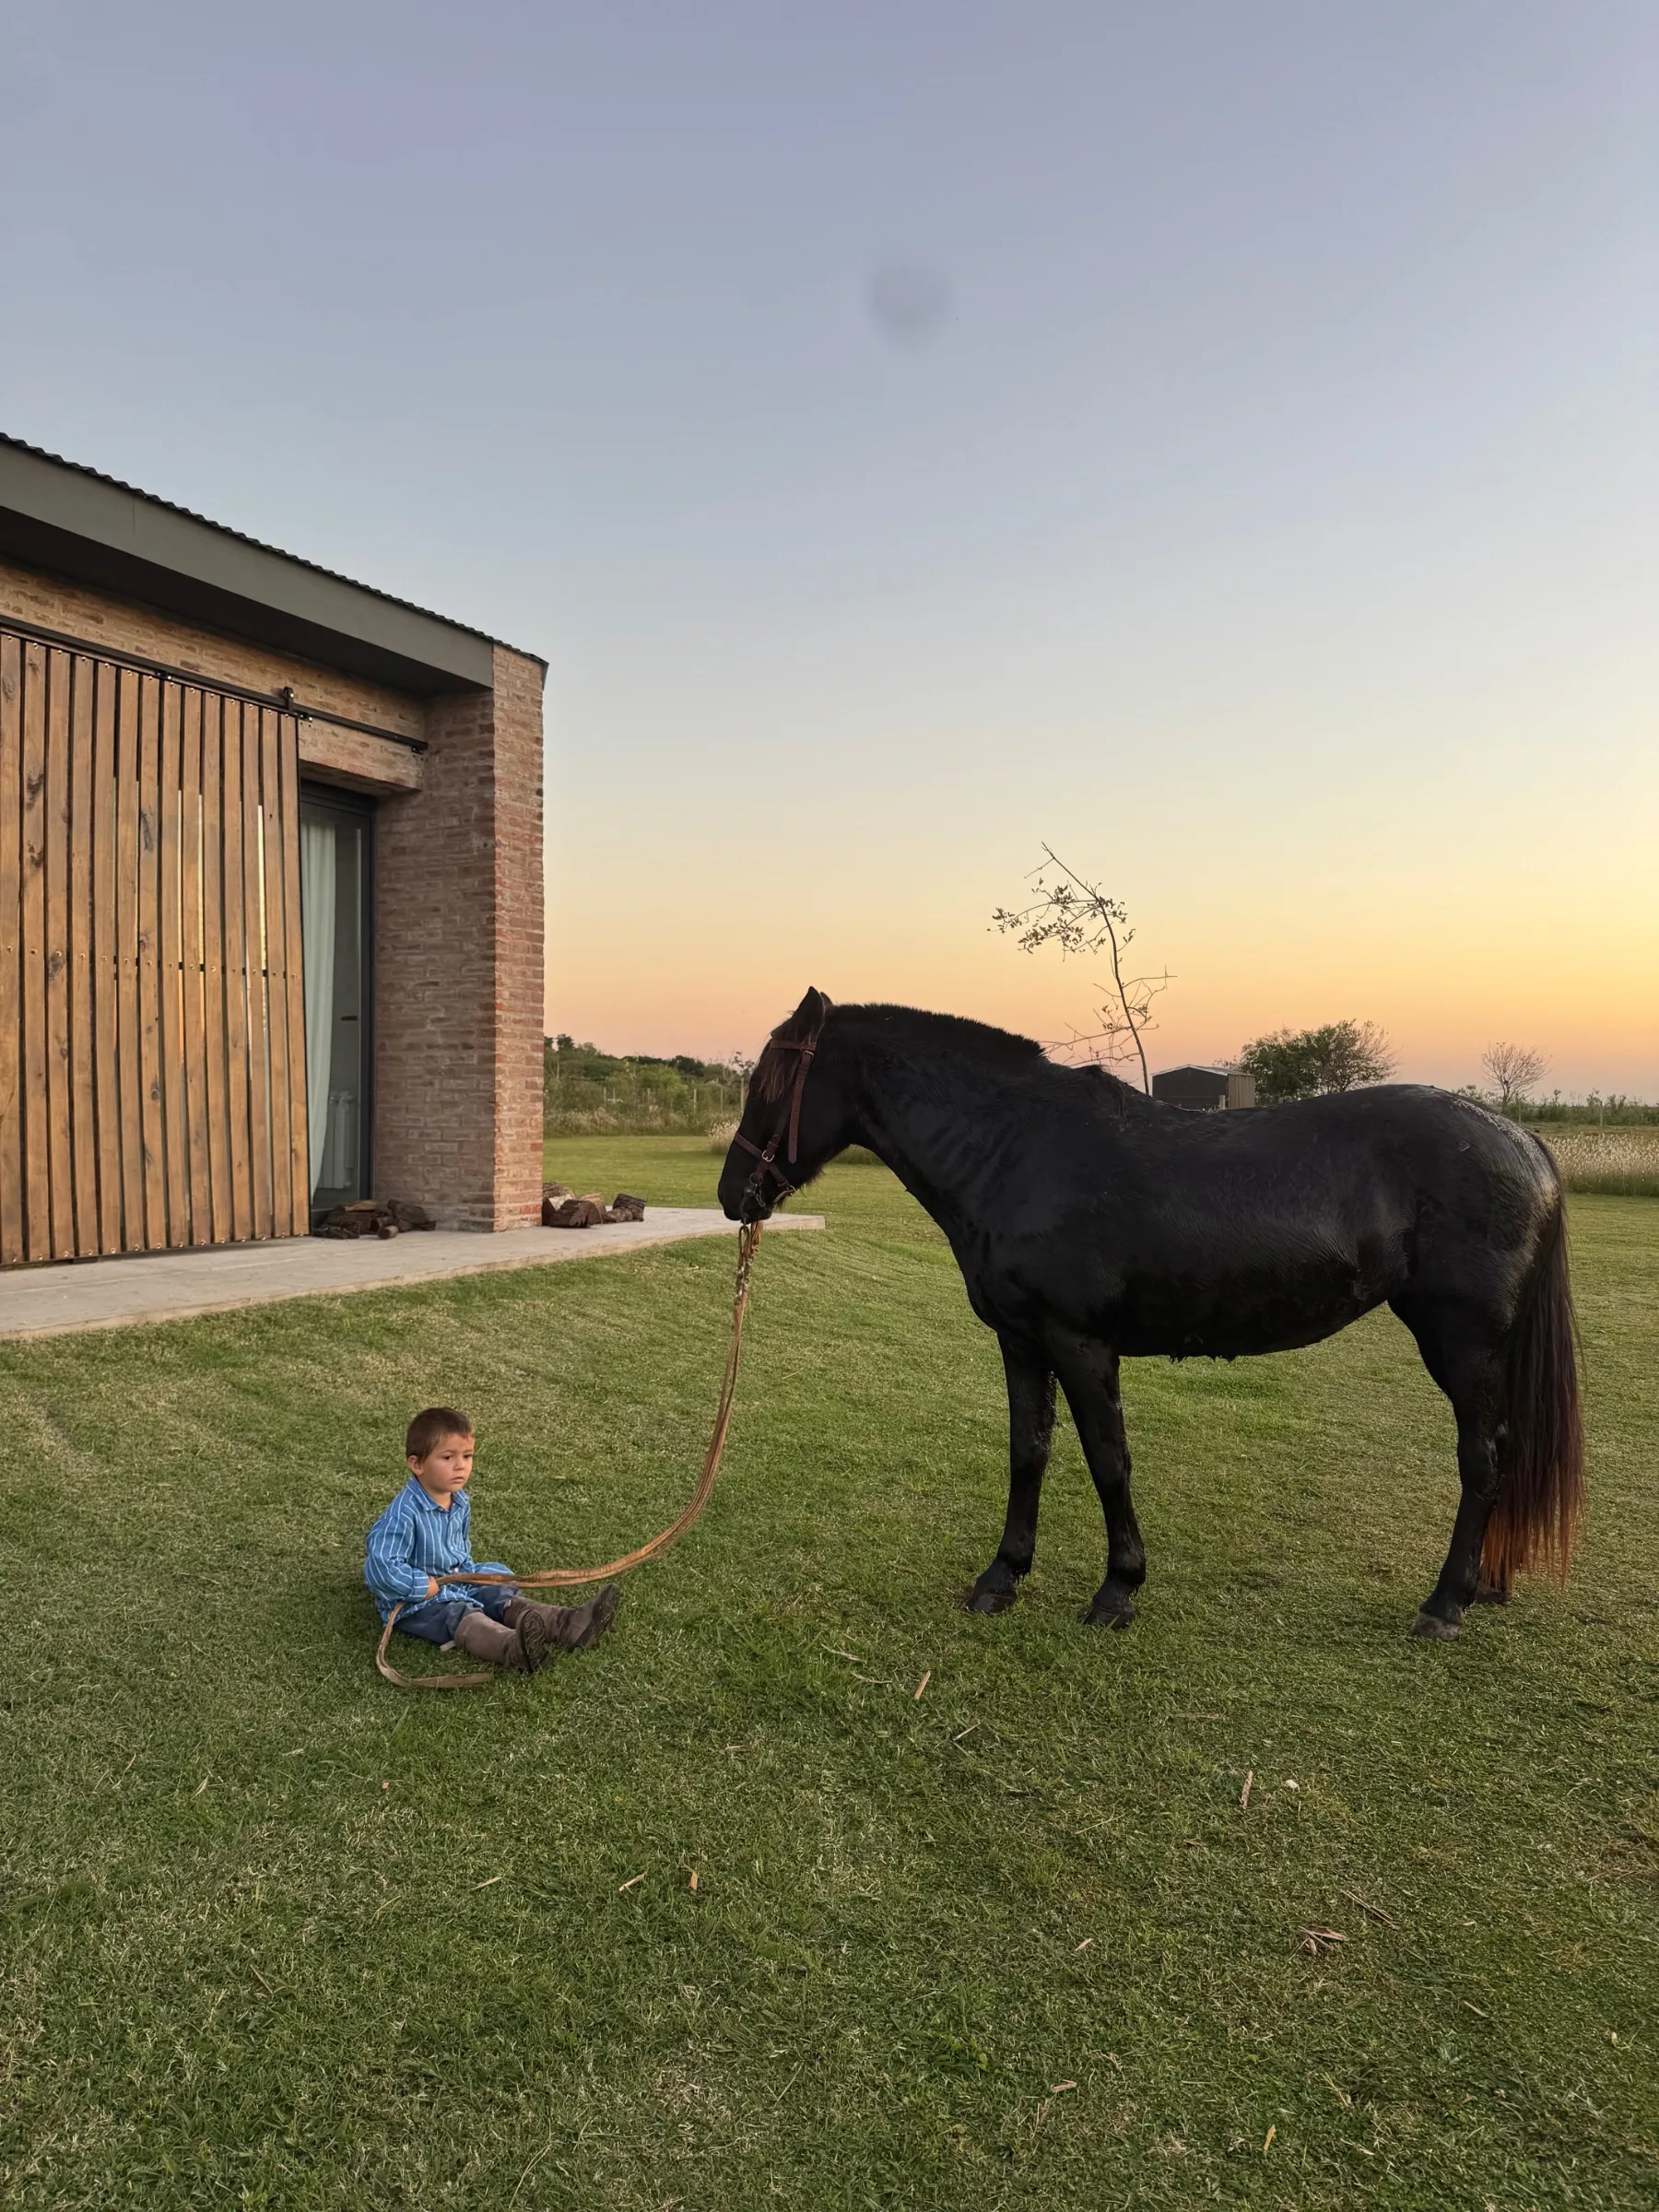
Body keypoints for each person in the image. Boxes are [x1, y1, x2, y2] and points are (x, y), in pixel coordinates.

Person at [365, 1406, 620, 1673]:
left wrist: (472, 1577)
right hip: (420, 1602)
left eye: (467, 1456)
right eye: (447, 1457)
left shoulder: (459, 1502)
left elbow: (458, 1552)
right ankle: (513, 1647)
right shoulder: (403, 1514)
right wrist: (419, 1585)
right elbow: (380, 1568)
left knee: (496, 1591)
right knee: (457, 1613)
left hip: (459, 1580)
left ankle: (570, 1624)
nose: (460, 1465)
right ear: (417, 1464)